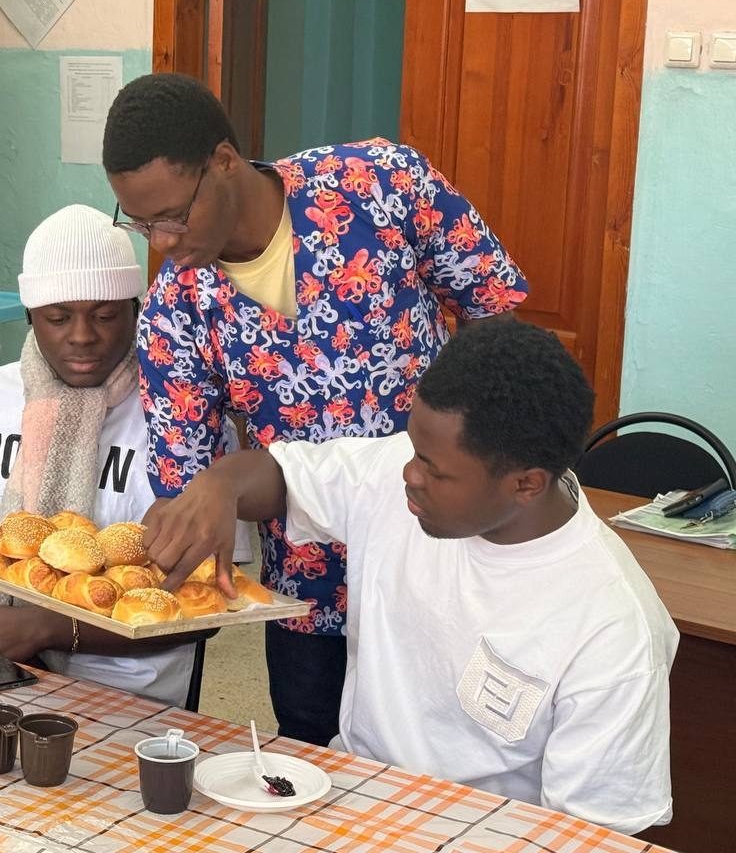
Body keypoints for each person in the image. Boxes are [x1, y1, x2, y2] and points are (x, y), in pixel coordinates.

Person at [103, 71, 529, 745]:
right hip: (309, 587)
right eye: (139, 220)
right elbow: (187, 476)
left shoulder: (377, 185)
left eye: (174, 214)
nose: (161, 240)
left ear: (223, 161)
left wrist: (486, 465)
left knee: (462, 758)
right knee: (312, 765)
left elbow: (497, 314)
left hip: (450, 559)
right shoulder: (175, 308)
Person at [146, 320, 677, 834]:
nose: (408, 472)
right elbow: (282, 477)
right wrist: (219, 486)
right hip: (348, 803)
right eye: (412, 447)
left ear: (526, 484)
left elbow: (592, 837)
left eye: (434, 468)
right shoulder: (400, 472)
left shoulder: (614, 627)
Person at [0, 205, 244, 705]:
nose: (83, 336)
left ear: (136, 310)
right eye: (58, 317)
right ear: (29, 317)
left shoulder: (185, 421)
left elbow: (205, 604)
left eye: (106, 316)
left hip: (131, 702)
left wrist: (46, 628)